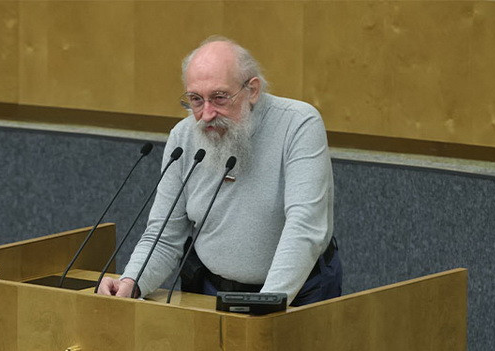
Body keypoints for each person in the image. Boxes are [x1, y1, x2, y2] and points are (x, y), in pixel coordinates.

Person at [98, 36, 341, 306]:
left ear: (252, 90)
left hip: (299, 292)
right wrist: (132, 281)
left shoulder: (298, 124)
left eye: (219, 98)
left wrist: (265, 305)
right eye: (196, 100)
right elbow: (164, 236)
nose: (207, 114)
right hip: (211, 290)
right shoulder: (183, 138)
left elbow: (305, 226)